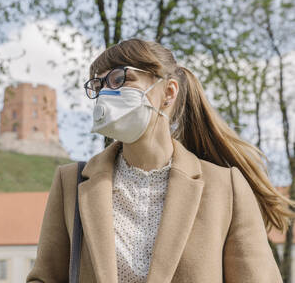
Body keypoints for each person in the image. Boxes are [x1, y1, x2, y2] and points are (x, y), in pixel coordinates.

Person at [26, 38, 295, 283]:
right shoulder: (70, 182)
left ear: (168, 92)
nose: (105, 93)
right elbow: (45, 278)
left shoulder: (226, 187)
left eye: (120, 79)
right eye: (98, 85)